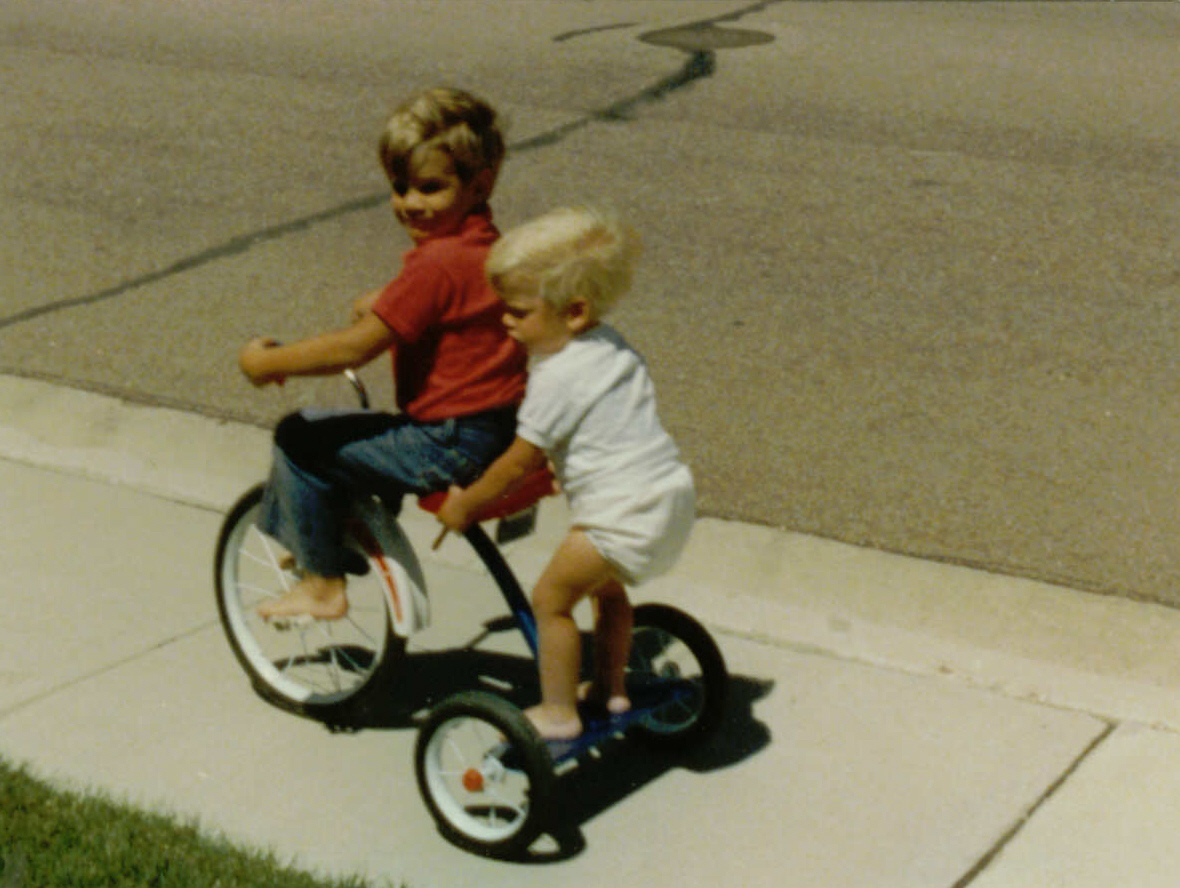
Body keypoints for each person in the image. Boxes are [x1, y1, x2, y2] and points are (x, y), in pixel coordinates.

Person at [238, 87, 525, 623]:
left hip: (444, 444)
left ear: (479, 185)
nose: (410, 203)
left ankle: (322, 583)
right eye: (400, 187)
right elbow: (460, 308)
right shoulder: (489, 245)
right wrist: (387, 304)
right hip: (498, 430)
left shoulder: (434, 264)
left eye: (430, 188)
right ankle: (330, 536)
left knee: (300, 437)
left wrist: (268, 364)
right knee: (353, 439)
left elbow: (356, 347)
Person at [436, 207, 695, 740]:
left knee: (550, 600)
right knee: (609, 591)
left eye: (519, 312)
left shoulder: (556, 376)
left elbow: (516, 463)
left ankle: (558, 711)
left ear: (574, 311)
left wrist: (467, 505)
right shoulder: (613, 347)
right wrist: (570, 465)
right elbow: (613, 425)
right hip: (671, 496)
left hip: (620, 514)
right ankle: (610, 687)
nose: (506, 321)